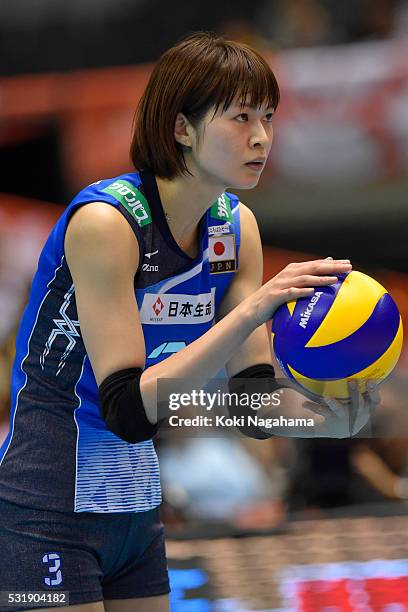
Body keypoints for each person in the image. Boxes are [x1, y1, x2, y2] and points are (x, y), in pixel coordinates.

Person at [0, 31, 379, 612]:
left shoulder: (236, 230)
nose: (262, 137)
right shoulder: (108, 224)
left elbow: (250, 407)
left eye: (270, 118)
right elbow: (127, 408)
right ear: (182, 129)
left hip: (135, 504)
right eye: (241, 117)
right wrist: (255, 307)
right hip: (46, 503)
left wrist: (334, 417)